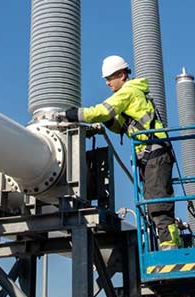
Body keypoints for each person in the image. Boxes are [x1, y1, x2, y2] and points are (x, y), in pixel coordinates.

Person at [59, 55, 181, 249]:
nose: (107, 83)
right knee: (154, 199)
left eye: (110, 78)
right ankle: (170, 242)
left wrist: (72, 114)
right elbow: (121, 126)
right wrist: (109, 121)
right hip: (153, 155)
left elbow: (101, 111)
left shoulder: (129, 92)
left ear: (122, 75)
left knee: (158, 201)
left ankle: (170, 245)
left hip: (155, 154)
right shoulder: (133, 94)